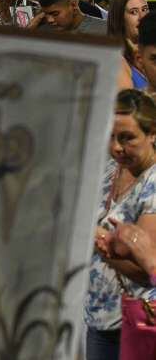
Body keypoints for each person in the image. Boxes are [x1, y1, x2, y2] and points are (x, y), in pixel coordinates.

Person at [87, 89, 156, 360]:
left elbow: (145, 271)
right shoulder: (111, 170)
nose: (116, 147)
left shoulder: (153, 183)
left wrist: (95, 239)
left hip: (135, 322)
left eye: (127, 138)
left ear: (152, 134)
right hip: (99, 318)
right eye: (112, 137)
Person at [108, 0, 150, 90]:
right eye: (133, 12)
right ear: (120, 19)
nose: (142, 17)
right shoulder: (117, 61)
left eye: (144, 9)